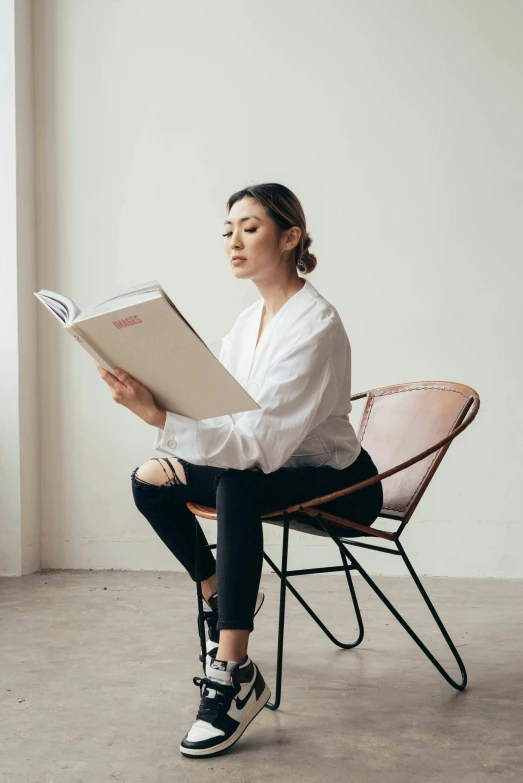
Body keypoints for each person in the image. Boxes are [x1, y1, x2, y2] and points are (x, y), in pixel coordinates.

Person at [96, 182, 384, 758]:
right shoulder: (248, 320)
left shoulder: (314, 325)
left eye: (249, 228)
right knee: (150, 479)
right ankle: (215, 591)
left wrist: (161, 416)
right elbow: (222, 414)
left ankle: (233, 674)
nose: (233, 241)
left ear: (290, 237)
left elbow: (262, 449)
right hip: (261, 468)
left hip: (342, 483)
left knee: (237, 483)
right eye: (227, 230)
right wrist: (161, 396)